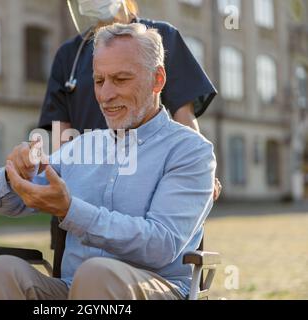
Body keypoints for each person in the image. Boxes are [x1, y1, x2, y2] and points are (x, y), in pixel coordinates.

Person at [0, 23, 216, 300]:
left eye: (121, 79)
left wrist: (70, 210)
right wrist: (14, 173)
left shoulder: (190, 151)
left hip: (158, 287)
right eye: (99, 81)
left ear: (157, 80)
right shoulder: (81, 145)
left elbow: (161, 246)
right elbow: (0, 202)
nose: (106, 95)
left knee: (96, 275)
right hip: (72, 291)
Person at [39, 0, 221, 251]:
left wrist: (197, 169)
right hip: (83, 191)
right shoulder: (69, 55)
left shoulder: (160, 38)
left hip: (144, 185)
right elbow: (62, 132)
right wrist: (57, 180)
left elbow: (183, 111)